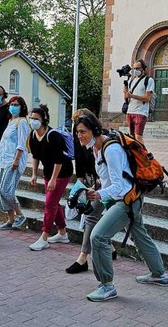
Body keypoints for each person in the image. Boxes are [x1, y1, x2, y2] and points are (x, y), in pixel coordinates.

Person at [75, 110, 168, 302]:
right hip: (126, 199)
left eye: (83, 131)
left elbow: (119, 185)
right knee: (140, 236)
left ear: (94, 129)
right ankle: (159, 274)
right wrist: (95, 188)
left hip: (126, 201)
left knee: (98, 237)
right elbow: (108, 179)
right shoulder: (96, 148)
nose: (79, 136)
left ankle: (107, 285)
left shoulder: (111, 149)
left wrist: (98, 194)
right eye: (77, 132)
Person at [65, 109, 117, 274]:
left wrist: (98, 185)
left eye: (81, 126)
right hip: (94, 183)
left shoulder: (103, 141)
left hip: (108, 187)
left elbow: (107, 168)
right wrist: (80, 180)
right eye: (75, 124)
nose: (78, 132)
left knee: (137, 232)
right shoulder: (80, 136)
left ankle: (83, 258)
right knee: (91, 216)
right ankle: (90, 255)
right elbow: (79, 158)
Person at [28, 104, 72, 251]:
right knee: (53, 202)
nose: (33, 121)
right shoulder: (33, 135)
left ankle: (44, 237)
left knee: (50, 204)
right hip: (48, 172)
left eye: (36, 119)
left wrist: (53, 179)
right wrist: (34, 173)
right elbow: (35, 156)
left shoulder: (53, 135)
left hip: (62, 171)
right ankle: (62, 233)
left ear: (44, 120)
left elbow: (59, 159)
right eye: (31, 118)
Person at [0, 96, 30, 230]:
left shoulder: (22, 122)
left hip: (13, 160)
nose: (13, 107)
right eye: (11, 104)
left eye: (16, 104)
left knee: (6, 191)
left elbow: (21, 143)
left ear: (22, 107)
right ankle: (10, 219)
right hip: (4, 159)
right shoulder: (11, 121)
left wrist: (16, 160)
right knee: (1, 191)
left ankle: (19, 214)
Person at [123, 59, 154, 144]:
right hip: (130, 111)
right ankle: (135, 155)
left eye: (138, 68)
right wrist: (125, 92)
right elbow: (127, 99)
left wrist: (132, 95)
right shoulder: (131, 81)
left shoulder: (149, 80)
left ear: (143, 69)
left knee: (138, 136)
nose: (136, 70)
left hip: (141, 112)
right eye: (134, 68)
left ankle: (144, 156)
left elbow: (147, 98)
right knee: (132, 137)